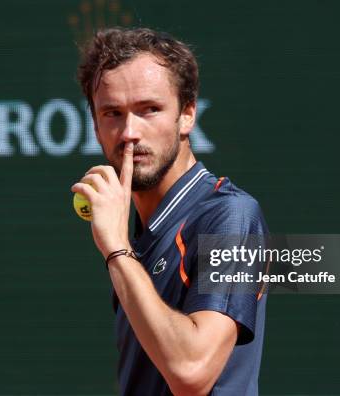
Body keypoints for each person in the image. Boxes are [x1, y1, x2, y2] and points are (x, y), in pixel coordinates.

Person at [72, 27, 268, 396]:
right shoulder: (139, 234)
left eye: (150, 109)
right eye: (112, 113)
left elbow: (191, 371)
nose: (129, 131)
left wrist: (116, 250)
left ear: (187, 114)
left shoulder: (231, 215)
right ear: (96, 126)